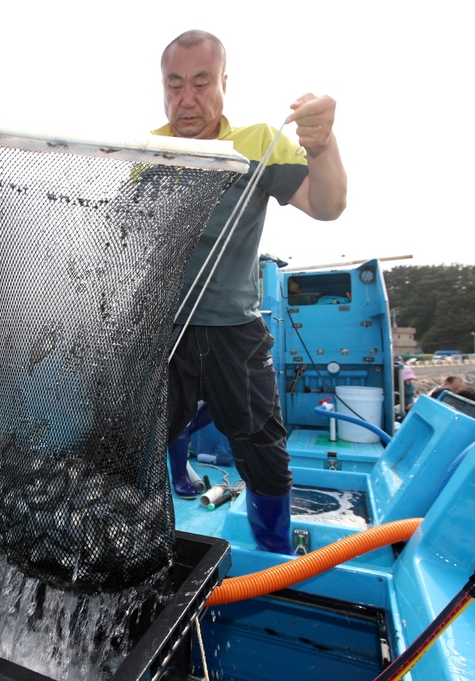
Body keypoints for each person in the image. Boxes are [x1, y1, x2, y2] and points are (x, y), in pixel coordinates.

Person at [156, 30, 347, 554]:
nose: (186, 99)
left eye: (200, 83)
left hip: (234, 330)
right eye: (174, 85)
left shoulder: (260, 142)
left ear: (223, 83)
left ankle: (275, 554)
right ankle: (146, 536)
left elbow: (327, 204)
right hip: (160, 328)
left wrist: (323, 144)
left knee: (262, 446)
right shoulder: (145, 150)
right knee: (140, 441)